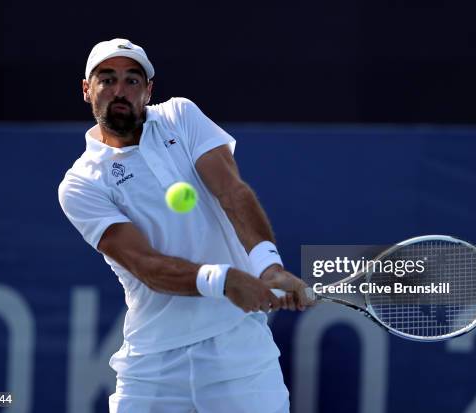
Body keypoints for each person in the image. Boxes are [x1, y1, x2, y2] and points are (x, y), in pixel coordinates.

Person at [58, 38, 312, 413]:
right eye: (107, 79)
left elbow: (231, 191)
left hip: (240, 353)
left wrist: (268, 266)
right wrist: (224, 280)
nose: (119, 90)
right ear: (86, 89)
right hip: (152, 364)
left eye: (132, 80)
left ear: (148, 90)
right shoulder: (81, 184)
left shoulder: (182, 116)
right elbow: (145, 265)